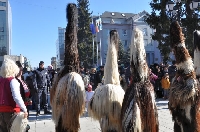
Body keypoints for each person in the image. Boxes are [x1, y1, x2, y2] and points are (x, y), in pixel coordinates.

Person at [0, 59, 28, 132]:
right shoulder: (13, 81)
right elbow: (16, 97)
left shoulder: (1, 80)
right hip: (12, 111)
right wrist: (25, 109)